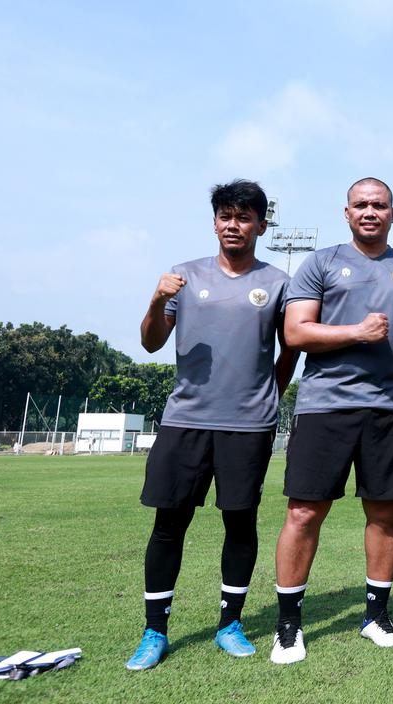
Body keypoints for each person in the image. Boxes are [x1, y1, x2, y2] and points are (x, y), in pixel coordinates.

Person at [126, 179, 298, 671]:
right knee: (168, 524)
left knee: (239, 522)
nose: (233, 225)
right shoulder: (183, 276)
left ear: (261, 225)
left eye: (244, 217)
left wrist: (269, 392)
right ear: (215, 223)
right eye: (225, 216)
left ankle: (230, 624)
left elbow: (291, 348)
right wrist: (157, 300)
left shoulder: (279, 282)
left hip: (248, 425)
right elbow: (151, 343)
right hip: (185, 420)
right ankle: (155, 631)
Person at [270, 177, 393, 665]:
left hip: (388, 408)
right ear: (346, 213)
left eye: (378, 205)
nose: (369, 212)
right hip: (325, 405)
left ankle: (376, 615)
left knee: (385, 513)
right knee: (304, 513)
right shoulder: (320, 262)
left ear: (392, 213)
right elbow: (295, 332)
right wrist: (357, 332)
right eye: (361, 204)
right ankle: (288, 625)